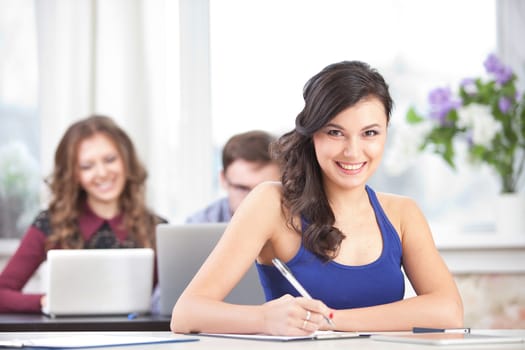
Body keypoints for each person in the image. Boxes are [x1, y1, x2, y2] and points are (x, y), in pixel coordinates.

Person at [171, 61, 463, 335]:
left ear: (386, 133)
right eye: (335, 132)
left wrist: (333, 320)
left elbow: (448, 311)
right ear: (312, 135)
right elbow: (186, 314)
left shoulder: (402, 213)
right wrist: (263, 318)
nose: (352, 151)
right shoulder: (271, 203)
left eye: (369, 133)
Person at [0, 115, 166, 313]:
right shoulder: (51, 224)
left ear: (126, 161)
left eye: (110, 159)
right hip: (68, 339)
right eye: (87, 166)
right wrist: (48, 301)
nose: (102, 173)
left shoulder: (155, 228)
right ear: (74, 174)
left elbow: (174, 299)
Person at [186, 130, 280, 223]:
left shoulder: (293, 222)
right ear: (223, 179)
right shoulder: (198, 224)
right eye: (242, 188)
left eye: (264, 190)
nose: (252, 201)